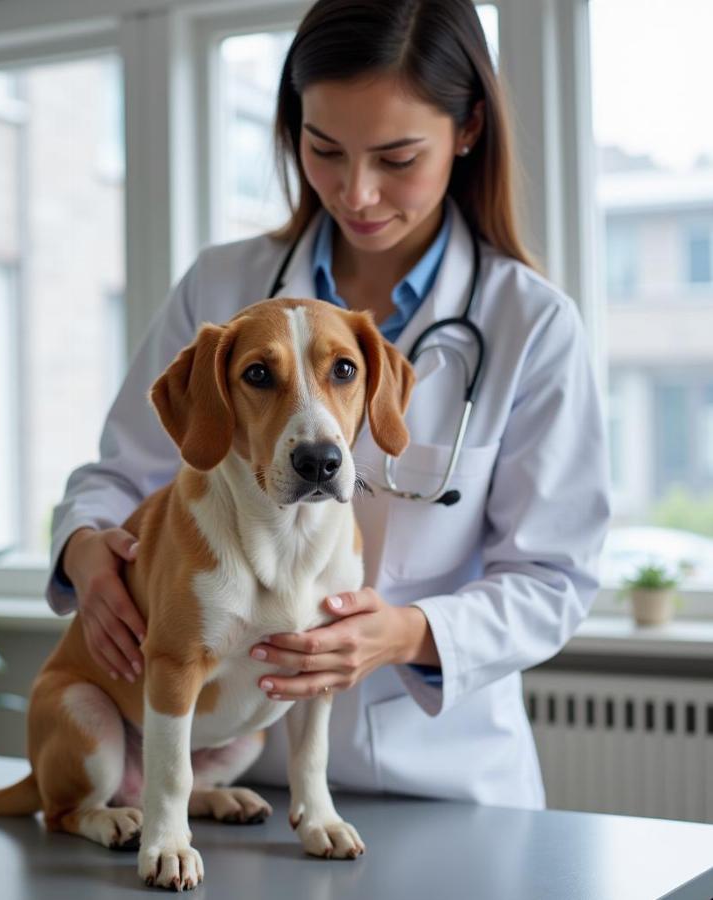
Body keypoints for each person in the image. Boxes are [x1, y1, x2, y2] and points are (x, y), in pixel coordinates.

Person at [46, 0, 610, 810]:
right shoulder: (223, 288)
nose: (357, 191)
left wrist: (409, 634)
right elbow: (123, 473)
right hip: (244, 779)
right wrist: (85, 550)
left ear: (468, 130)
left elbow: (555, 573)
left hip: (441, 779)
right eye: (324, 150)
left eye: (397, 156)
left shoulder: (531, 324)